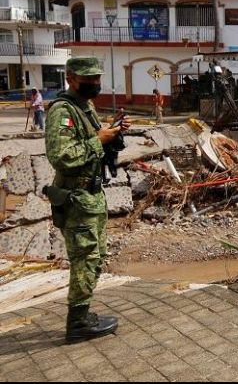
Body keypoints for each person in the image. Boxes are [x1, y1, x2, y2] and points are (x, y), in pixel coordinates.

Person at [44, 57, 132, 344]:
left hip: (92, 196)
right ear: (70, 78)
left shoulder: (86, 107)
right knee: (84, 259)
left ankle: (82, 314)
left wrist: (113, 131)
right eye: (88, 79)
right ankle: (77, 322)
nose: (94, 83)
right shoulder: (62, 111)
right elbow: (61, 156)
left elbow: (95, 141)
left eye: (96, 78)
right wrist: (100, 140)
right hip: (76, 199)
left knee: (96, 257)